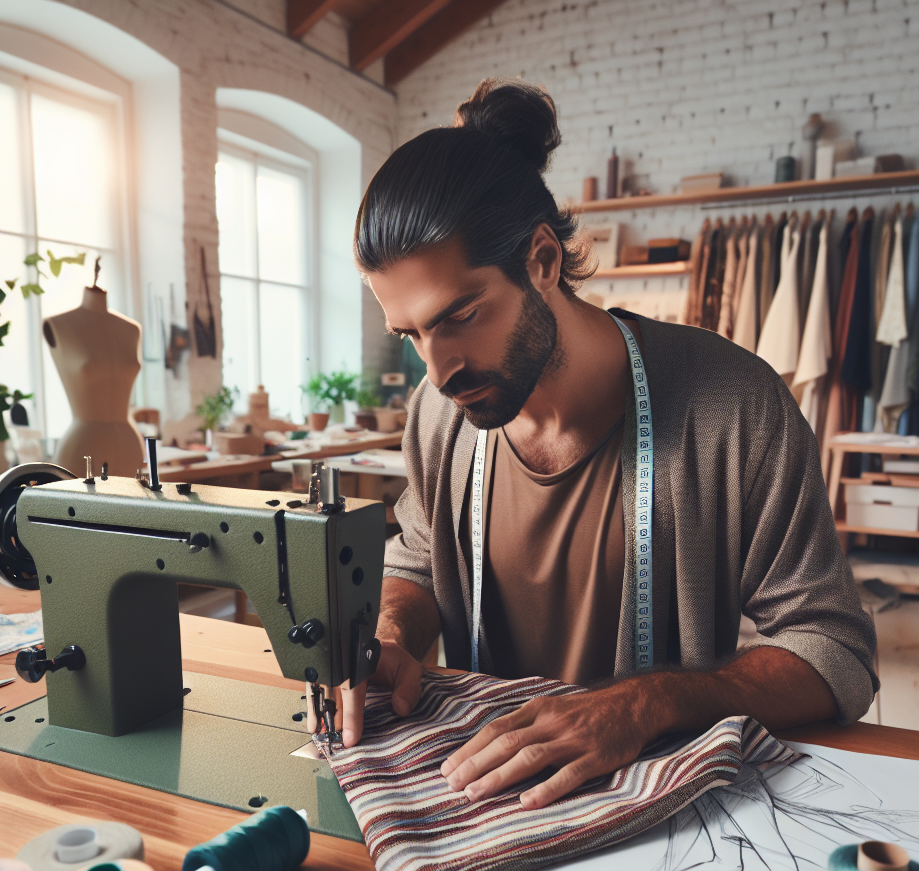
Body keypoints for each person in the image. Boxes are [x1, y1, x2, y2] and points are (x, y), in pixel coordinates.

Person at [330, 78, 877, 811]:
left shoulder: (736, 406)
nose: (438, 370)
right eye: (411, 335)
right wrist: (392, 636)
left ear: (543, 261)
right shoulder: (439, 414)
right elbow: (419, 563)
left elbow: (834, 650)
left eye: (460, 315)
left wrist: (643, 705)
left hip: (666, 808)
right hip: (496, 799)